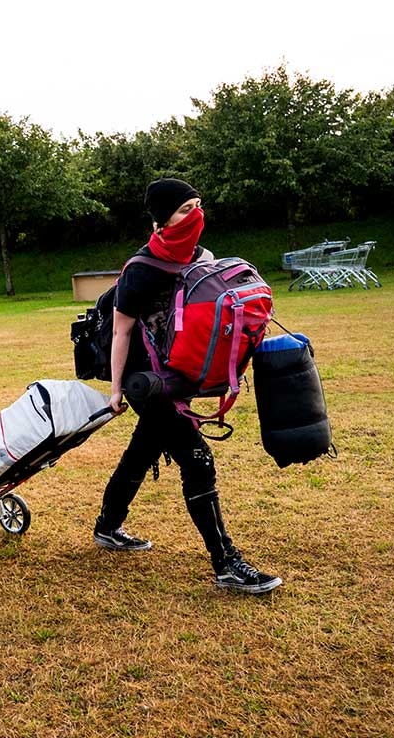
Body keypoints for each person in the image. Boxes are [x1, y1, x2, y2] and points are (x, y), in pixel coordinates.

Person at [96, 178, 282, 594]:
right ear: (162, 220)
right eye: (184, 209)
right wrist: (115, 390)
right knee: (197, 461)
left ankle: (107, 526)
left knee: (143, 449)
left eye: (198, 205)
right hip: (146, 380)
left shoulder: (204, 258)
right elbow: (121, 333)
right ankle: (226, 564)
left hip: (180, 375)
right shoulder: (140, 270)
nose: (195, 215)